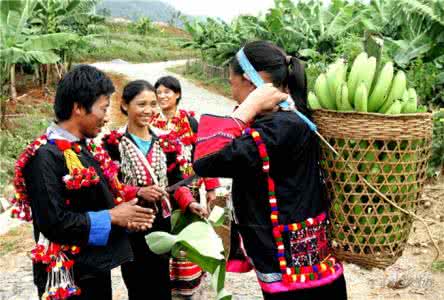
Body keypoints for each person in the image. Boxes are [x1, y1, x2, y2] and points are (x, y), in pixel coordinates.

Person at [193, 41, 347, 300]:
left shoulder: (279, 128)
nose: (232, 94)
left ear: (250, 82)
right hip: (303, 264)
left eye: (232, 84)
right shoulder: (288, 117)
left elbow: (207, 159)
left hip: (295, 274)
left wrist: (249, 106)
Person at [10, 65, 157, 300]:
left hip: (92, 270)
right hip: (68, 279)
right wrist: (112, 217)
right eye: (103, 108)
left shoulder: (83, 150)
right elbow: (53, 222)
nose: (107, 116)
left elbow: (94, 202)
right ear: (78, 107)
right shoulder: (44, 157)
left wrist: (127, 218)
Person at [101, 80, 206, 300]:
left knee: (161, 281)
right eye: (141, 104)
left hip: (161, 224)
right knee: (137, 284)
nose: (148, 110)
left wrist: (190, 203)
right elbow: (109, 185)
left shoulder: (165, 142)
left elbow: (176, 182)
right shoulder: (113, 143)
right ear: (125, 105)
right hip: (132, 224)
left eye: (152, 104)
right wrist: (138, 192)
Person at [151, 76, 220, 298]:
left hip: (189, 188)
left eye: (167, 92)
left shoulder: (190, 123)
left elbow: (203, 156)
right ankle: (167, 283)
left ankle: (189, 282)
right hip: (161, 190)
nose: (162, 96)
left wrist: (210, 188)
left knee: (188, 231)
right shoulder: (151, 122)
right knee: (165, 231)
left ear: (178, 94)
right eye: (158, 92)